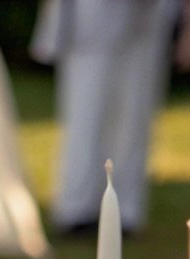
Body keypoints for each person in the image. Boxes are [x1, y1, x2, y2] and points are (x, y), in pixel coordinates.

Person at [32, 0, 185, 234]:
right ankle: (77, 207)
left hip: (148, 17)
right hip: (92, 18)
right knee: (85, 110)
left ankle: (125, 209)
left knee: (135, 112)